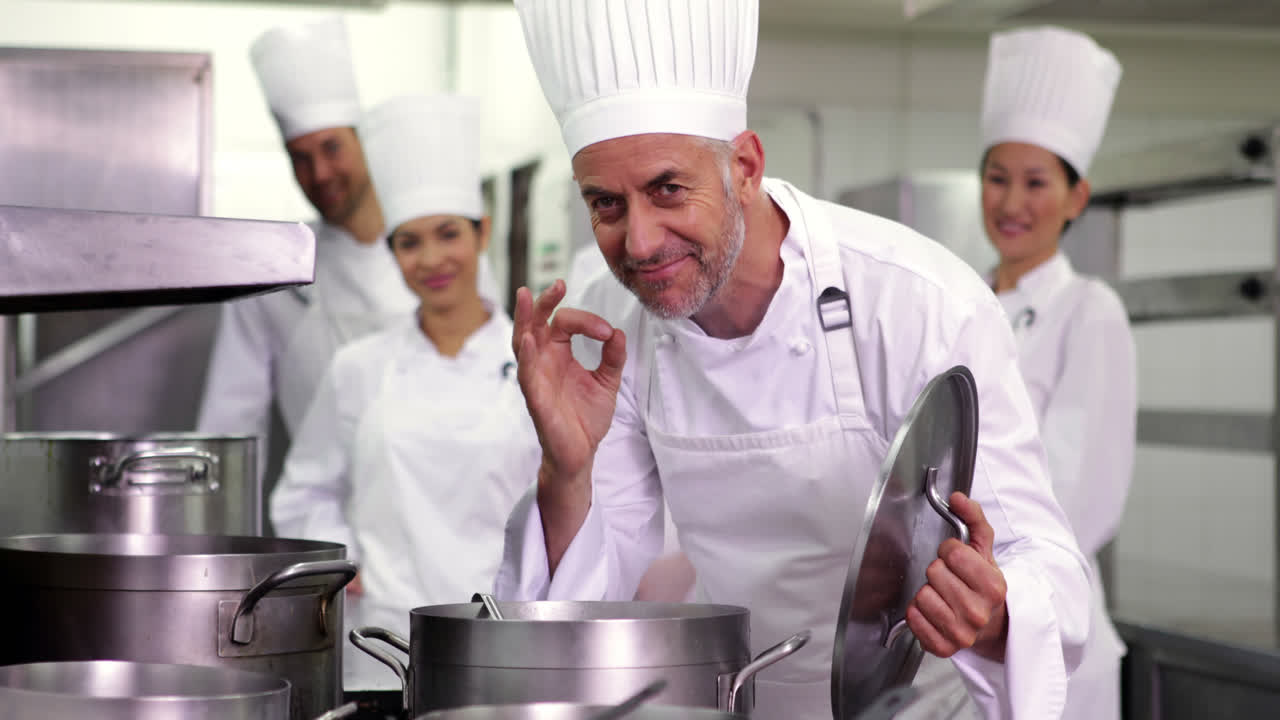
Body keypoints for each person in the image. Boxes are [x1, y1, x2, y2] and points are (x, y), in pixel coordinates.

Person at [495, 2, 1092, 719]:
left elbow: (1045, 564)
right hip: (740, 701)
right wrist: (567, 469)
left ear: (744, 166)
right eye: (606, 205)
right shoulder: (609, 324)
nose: (641, 241)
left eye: (667, 189)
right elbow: (588, 600)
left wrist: (993, 612)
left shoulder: (918, 305)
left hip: (913, 710)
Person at [270, 94, 541, 690]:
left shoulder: (534, 364)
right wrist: (346, 559)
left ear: (482, 232)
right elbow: (302, 494)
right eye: (410, 242)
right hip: (385, 646)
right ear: (392, 253)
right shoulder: (360, 367)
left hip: (506, 638)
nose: (432, 259)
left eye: (448, 234)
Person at [198, 16, 498, 486]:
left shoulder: (450, 261)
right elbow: (229, 426)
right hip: (329, 529)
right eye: (299, 156)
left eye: (331, 147)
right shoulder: (274, 273)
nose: (319, 173)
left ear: (363, 141)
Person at [979, 26, 1136, 720]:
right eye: (997, 178)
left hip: (1052, 631)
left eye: (1037, 183)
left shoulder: (1088, 311)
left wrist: (997, 578)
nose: (1012, 204)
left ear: (1076, 198)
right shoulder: (966, 300)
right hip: (971, 618)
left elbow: (1085, 494)